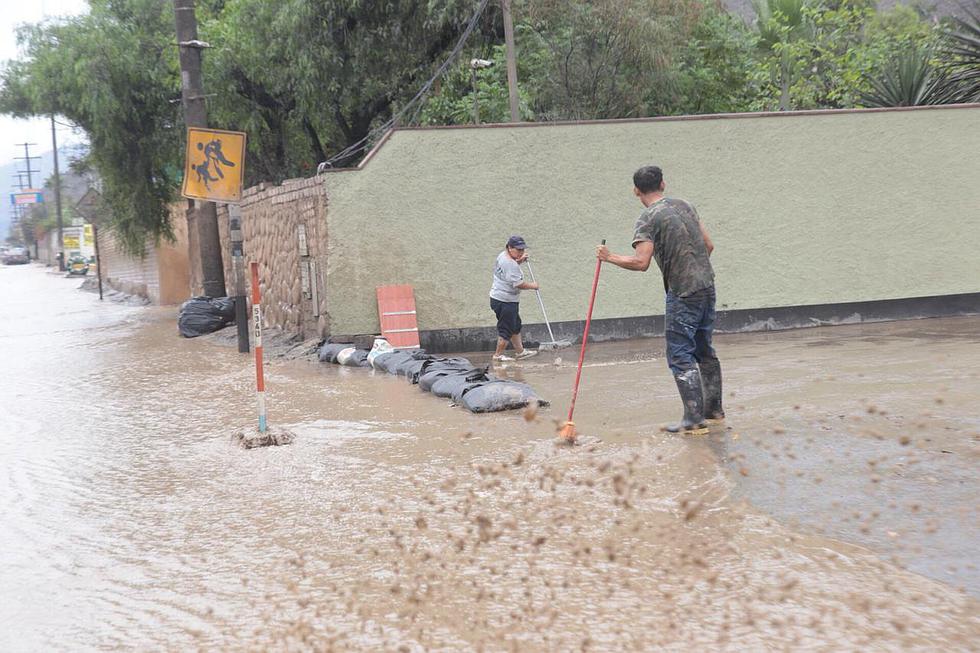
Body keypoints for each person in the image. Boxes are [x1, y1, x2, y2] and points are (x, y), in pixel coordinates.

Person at [596, 165, 724, 432]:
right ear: (663, 184)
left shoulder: (648, 218)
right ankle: (714, 411)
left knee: (680, 354)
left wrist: (609, 258)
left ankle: (693, 420)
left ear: (636, 191)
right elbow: (709, 245)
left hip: (683, 292)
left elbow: (641, 262)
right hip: (707, 286)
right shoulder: (685, 205)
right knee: (704, 349)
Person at [489, 235, 540, 362]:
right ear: (509, 247)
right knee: (506, 328)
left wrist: (519, 261)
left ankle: (520, 351)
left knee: (515, 325)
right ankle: (498, 355)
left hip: (500, 298)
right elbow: (518, 284)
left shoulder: (503, 255)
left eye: (522, 250)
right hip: (505, 301)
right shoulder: (509, 263)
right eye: (518, 250)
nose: (521, 252)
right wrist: (533, 286)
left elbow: (508, 272)